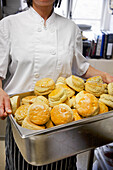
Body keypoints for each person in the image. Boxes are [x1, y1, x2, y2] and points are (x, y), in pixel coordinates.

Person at [0, 0, 113, 169]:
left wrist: (104, 75)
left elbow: (80, 67)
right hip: (23, 123)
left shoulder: (71, 28)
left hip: (63, 123)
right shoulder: (8, 25)